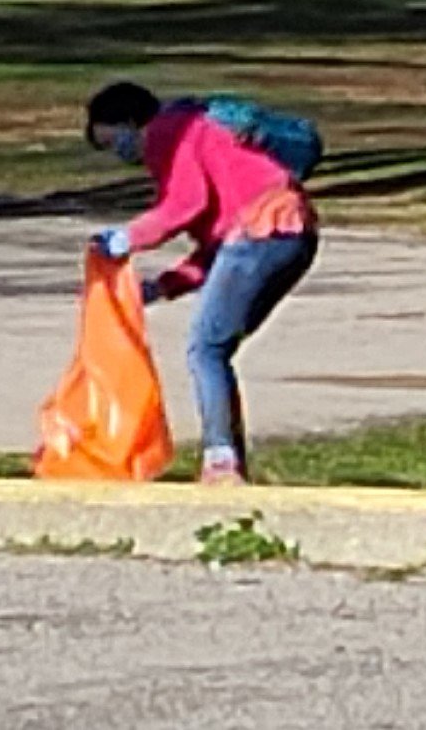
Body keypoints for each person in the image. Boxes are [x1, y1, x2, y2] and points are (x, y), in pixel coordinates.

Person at [84, 81, 319, 485]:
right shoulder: (198, 133)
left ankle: (221, 462)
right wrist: (163, 286)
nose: (124, 156)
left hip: (260, 231)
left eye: (116, 142)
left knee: (206, 349)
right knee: (215, 348)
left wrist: (127, 238)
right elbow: (215, 248)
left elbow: (183, 205)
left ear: (130, 122)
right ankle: (227, 459)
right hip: (293, 234)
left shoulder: (169, 132)